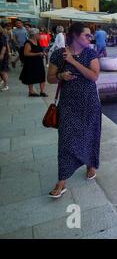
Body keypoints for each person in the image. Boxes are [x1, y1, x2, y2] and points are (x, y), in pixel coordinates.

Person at [47, 22, 101, 199]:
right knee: (65, 140)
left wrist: (72, 62)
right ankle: (62, 180)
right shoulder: (58, 54)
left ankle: (91, 164)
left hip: (89, 102)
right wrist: (60, 76)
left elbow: (94, 76)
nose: (90, 38)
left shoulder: (90, 53)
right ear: (76, 36)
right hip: (68, 104)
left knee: (90, 134)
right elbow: (50, 79)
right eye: (87, 35)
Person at [19, 28, 47, 97]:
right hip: (31, 63)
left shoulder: (37, 41)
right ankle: (31, 91)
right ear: (34, 35)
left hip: (38, 62)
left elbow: (39, 50)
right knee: (31, 77)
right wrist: (38, 54)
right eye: (38, 34)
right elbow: (26, 53)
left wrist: (43, 53)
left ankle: (42, 91)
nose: (39, 35)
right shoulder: (28, 42)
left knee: (42, 76)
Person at [0, 26, 9, 91]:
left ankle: (6, 85)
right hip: (2, 55)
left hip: (2, 56)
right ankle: (2, 81)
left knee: (3, 71)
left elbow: (4, 46)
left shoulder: (2, 36)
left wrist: (2, 54)